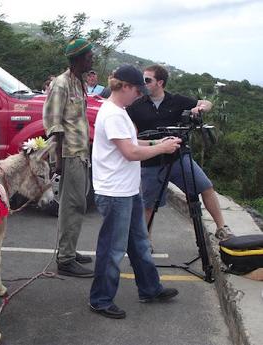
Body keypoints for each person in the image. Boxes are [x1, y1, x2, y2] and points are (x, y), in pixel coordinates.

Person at [90, 64, 181, 319]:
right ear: (126, 87)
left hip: (126, 190)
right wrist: (162, 150)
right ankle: (100, 299)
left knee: (139, 244)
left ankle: (150, 288)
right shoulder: (113, 114)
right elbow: (130, 153)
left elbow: (131, 142)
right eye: (137, 91)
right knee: (112, 249)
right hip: (115, 192)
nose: (139, 96)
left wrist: (155, 142)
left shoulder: (118, 111)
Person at [127, 64, 233, 241]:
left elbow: (207, 103)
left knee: (205, 186)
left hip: (178, 158)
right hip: (150, 162)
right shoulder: (136, 105)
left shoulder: (176, 100)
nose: (143, 83)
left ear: (160, 82)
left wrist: (199, 109)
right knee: (148, 206)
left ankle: (221, 227)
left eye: (147, 80)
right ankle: (145, 244)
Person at [43, 38, 94, 278]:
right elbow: (53, 124)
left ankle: (69, 251)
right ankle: (65, 259)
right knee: (72, 205)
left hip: (80, 154)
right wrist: (58, 161)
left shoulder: (79, 82)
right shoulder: (61, 84)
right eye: (88, 56)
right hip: (69, 154)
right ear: (78, 59)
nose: (91, 59)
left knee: (77, 204)